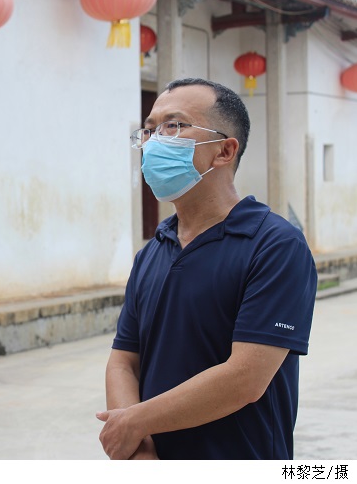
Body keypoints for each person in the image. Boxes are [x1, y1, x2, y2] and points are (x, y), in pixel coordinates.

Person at [97, 78, 317, 460]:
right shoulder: (153, 251)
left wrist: (135, 422)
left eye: (173, 125)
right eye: (149, 130)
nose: (154, 141)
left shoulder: (275, 246)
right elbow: (124, 360)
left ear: (224, 150)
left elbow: (245, 378)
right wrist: (140, 450)